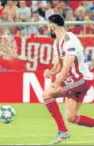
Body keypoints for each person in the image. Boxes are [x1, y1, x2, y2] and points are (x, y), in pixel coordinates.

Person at [43, 14, 94, 144]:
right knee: (71, 117)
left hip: (81, 80)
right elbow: (59, 66)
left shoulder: (70, 40)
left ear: (53, 26)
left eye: (48, 25)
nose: (47, 28)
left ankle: (63, 131)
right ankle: (63, 130)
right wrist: (50, 71)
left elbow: (67, 65)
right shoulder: (57, 43)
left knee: (47, 94)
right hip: (74, 81)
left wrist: (56, 83)